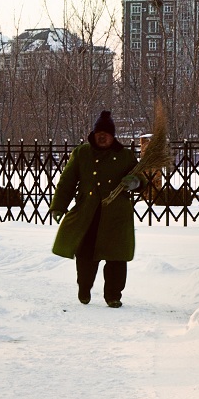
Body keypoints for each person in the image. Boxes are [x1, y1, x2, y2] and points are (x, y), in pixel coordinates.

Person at [48, 111, 142, 308]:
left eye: (106, 133)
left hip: (116, 216)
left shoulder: (125, 156)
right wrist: (58, 207)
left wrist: (134, 182)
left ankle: (113, 296)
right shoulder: (82, 153)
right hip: (88, 213)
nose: (102, 136)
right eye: (99, 132)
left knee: (116, 258)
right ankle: (84, 288)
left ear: (113, 136)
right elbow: (67, 181)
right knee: (85, 255)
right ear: (93, 133)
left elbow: (142, 181)